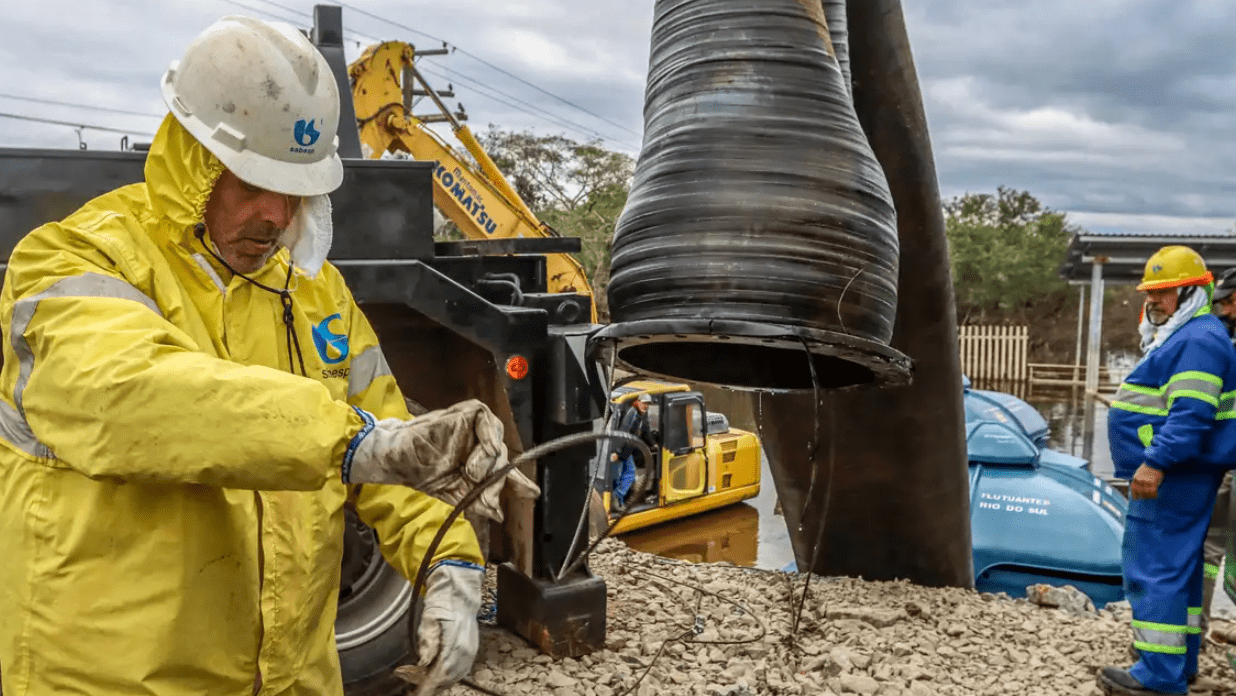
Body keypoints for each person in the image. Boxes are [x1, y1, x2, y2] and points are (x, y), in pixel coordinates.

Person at [0, 16, 537, 696]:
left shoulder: (316, 295)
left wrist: (451, 563)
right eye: (252, 183)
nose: (277, 216)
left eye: (296, 190)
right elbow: (127, 396)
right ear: (195, 160)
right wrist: (351, 442)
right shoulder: (76, 259)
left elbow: (389, 443)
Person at [1100, 246, 1236, 695]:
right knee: (1180, 568)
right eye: (1151, 292)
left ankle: (1157, 677)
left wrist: (1154, 464)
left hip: (1175, 473)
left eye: (1164, 292)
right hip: (1187, 472)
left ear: (1192, 291)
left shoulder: (1197, 340)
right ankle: (1179, 664)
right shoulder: (1195, 334)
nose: (1154, 301)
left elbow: (1190, 415)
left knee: (1155, 566)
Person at [1204, 268, 1236, 635]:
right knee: (1207, 550)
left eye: (1229, 303)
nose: (1224, 311)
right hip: (1225, 463)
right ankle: (1193, 633)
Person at [611, 393, 657, 509]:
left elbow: (645, 430)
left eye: (647, 404)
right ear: (638, 402)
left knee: (627, 474)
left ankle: (618, 500)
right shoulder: (632, 414)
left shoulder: (641, 415)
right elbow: (623, 432)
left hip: (627, 449)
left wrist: (654, 444)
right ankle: (616, 498)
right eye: (644, 403)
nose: (645, 406)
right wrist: (616, 451)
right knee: (622, 475)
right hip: (622, 449)